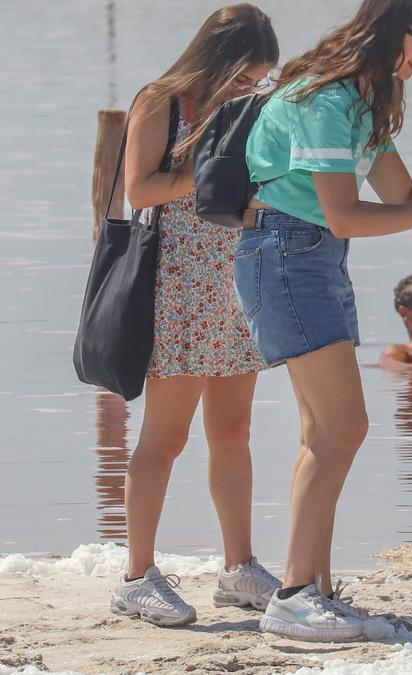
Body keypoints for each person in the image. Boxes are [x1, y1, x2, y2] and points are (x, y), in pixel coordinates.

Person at [237, 0, 412, 641]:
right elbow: (346, 215)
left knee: (324, 432)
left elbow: (404, 201)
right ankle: (296, 596)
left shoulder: (364, 103)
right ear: (388, 32)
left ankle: (317, 590)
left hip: (315, 257)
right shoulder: (326, 100)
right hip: (286, 253)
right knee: (343, 426)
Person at [109, 4, 280, 628]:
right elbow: (142, 190)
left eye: (259, 79)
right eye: (243, 76)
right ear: (216, 57)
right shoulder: (162, 101)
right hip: (179, 287)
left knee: (234, 433)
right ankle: (136, 576)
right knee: (165, 437)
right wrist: (210, 170)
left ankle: (239, 568)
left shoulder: (253, 110)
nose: (249, 89)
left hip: (237, 282)